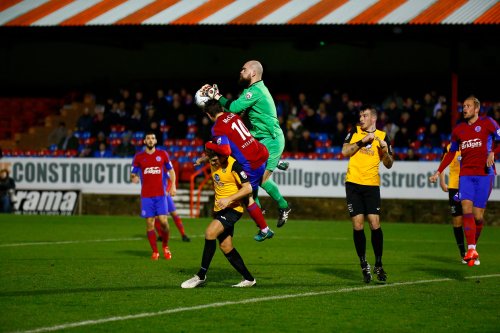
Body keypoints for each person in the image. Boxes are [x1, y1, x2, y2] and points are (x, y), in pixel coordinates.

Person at [200, 60, 291, 227]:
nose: (240, 72)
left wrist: (217, 96)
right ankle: (259, 211)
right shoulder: (248, 91)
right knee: (247, 177)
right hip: (258, 138)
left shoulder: (256, 91)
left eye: (244, 69)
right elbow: (233, 113)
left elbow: (233, 108)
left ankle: (284, 206)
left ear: (253, 73)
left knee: (261, 181)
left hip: (271, 139)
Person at [430, 96, 500, 266]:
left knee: (478, 216)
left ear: (477, 109)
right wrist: (438, 171)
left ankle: (473, 246)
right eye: (463, 106)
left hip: (485, 174)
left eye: (468, 106)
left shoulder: (488, 123)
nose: (464, 109)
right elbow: (451, 153)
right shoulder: (458, 130)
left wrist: (493, 153)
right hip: (466, 175)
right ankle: (471, 248)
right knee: (465, 207)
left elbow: (499, 141)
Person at [197, 100, 274, 242]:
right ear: (221, 108)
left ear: (208, 115)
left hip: (251, 164)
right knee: (250, 193)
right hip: (262, 153)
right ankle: (278, 162)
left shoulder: (217, 128)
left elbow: (225, 150)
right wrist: (206, 156)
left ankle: (265, 230)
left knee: (247, 197)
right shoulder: (233, 115)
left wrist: (208, 144)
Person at [181, 147, 257, 288]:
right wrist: (202, 159)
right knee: (226, 246)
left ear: (223, 157)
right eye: (211, 160)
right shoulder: (212, 159)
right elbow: (209, 155)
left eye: (215, 160)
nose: (213, 163)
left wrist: (229, 199)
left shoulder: (234, 165)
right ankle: (249, 279)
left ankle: (201, 275)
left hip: (233, 209)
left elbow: (248, 188)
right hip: (220, 209)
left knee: (210, 233)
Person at [342, 105, 394, 283]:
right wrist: (362, 141)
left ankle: (378, 264)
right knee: (357, 225)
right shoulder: (355, 131)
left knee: (374, 222)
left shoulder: (383, 136)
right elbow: (344, 151)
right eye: (360, 115)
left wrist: (385, 151)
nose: (361, 118)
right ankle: (364, 263)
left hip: (371, 186)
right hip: (353, 184)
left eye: (364, 116)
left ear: (373, 118)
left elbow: (389, 164)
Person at [130, 131, 176, 260]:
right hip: (146, 196)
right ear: (144, 141)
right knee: (150, 223)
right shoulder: (139, 157)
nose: (150, 140)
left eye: (153, 138)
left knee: (164, 222)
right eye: (148, 138)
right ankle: (155, 251)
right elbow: (133, 172)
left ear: (155, 141)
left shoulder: (162, 154)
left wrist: (173, 186)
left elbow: (171, 171)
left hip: (160, 195)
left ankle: (165, 246)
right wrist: (133, 177)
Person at [438, 143, 474, 264]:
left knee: (469, 217)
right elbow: (443, 164)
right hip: (454, 187)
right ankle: (463, 252)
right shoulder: (449, 147)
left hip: (468, 186)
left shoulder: (471, 144)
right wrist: (442, 182)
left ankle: (472, 249)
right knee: (457, 221)